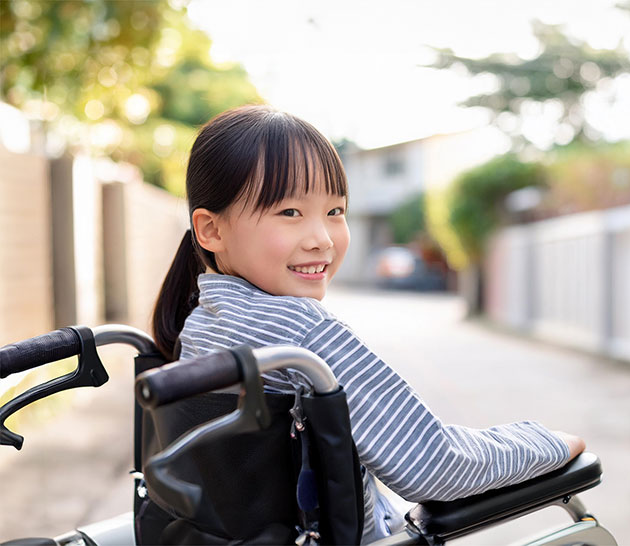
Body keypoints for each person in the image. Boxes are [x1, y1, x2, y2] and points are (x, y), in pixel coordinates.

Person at [152, 104, 585, 543]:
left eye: (335, 211)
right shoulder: (301, 333)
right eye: (289, 212)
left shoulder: (197, 324)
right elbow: (435, 466)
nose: (322, 238)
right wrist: (545, 442)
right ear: (211, 231)